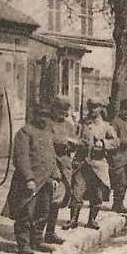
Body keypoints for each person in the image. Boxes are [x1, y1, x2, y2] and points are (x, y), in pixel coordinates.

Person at [1, 101, 64, 254]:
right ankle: (23, 244)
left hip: (46, 181)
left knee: (44, 212)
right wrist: (29, 178)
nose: (44, 119)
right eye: (40, 115)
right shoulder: (25, 132)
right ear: (34, 115)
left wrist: (55, 175)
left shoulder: (48, 132)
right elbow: (21, 158)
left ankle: (37, 240)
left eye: (47, 115)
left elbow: (52, 157)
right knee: (26, 212)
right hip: (29, 182)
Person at [65, 103, 115, 230]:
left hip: (98, 165)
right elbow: (73, 137)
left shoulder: (106, 126)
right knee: (77, 192)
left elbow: (116, 141)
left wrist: (103, 143)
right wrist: (73, 143)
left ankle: (91, 220)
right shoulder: (82, 125)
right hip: (81, 163)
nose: (92, 110)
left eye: (95, 107)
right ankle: (73, 220)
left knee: (97, 194)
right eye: (90, 107)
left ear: (101, 109)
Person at [44, 96, 81, 245]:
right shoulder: (46, 123)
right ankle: (36, 232)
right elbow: (47, 140)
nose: (63, 114)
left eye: (65, 111)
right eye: (60, 110)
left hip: (63, 165)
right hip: (49, 164)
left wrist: (73, 144)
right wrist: (65, 141)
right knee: (44, 200)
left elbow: (75, 141)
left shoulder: (67, 125)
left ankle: (50, 232)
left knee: (57, 200)